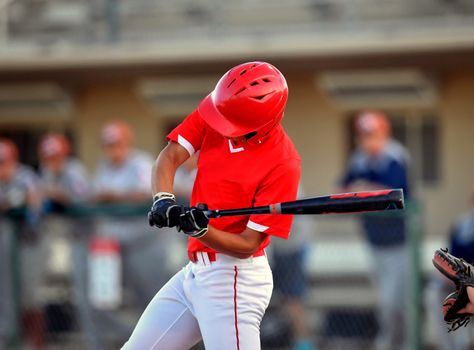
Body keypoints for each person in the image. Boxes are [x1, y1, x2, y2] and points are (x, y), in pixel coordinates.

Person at [122, 61, 301, 349]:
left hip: (234, 280)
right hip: (195, 272)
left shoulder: (282, 163)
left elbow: (248, 244)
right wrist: (163, 199)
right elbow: (170, 157)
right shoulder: (222, 108)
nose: (220, 125)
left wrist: (202, 231)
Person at [339, 111, 410, 350]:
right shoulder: (359, 159)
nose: (367, 140)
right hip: (373, 239)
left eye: (372, 134)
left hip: (400, 241)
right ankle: (393, 342)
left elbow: (394, 192)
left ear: (383, 133)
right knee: (385, 300)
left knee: (397, 301)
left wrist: (364, 188)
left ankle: (400, 343)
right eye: (363, 135)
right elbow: (342, 187)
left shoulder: (394, 156)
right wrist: (360, 188)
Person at [0, 138, 43, 349]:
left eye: (4, 161)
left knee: (30, 299)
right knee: (6, 298)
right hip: (5, 250)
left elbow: (35, 205)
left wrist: (18, 201)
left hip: (29, 246)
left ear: (13, 159)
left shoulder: (25, 176)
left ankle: (34, 346)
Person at [271, 186, 315, 350]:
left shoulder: (286, 179)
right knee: (285, 299)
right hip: (279, 248)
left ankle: (304, 344)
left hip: (292, 248)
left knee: (293, 299)